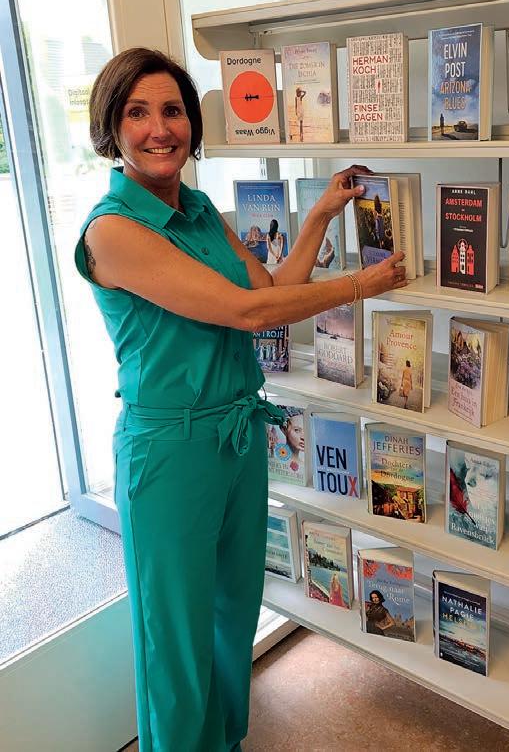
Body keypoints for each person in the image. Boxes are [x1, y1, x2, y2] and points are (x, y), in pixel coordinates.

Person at [74, 47, 406, 752]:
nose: (159, 129)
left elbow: (269, 290)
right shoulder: (112, 230)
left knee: (232, 615)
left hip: (235, 437)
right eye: (137, 113)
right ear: (111, 127)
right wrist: (361, 285)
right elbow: (247, 313)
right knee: (175, 640)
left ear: (191, 125)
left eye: (173, 111)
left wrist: (319, 216)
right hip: (169, 451)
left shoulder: (198, 210)